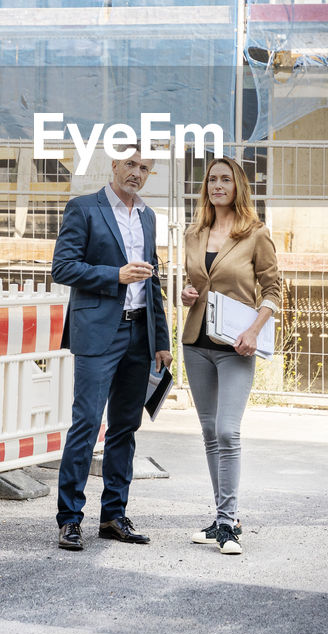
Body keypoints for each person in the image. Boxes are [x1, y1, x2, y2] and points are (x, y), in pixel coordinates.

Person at [51, 151, 172, 552]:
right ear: (114, 167)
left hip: (141, 335)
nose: (137, 173)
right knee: (86, 424)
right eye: (131, 165)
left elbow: (152, 281)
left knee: (125, 428)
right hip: (99, 333)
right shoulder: (84, 208)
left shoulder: (148, 217)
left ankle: (113, 516)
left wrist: (163, 342)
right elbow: (63, 267)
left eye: (144, 169)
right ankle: (69, 519)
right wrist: (114, 276)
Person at [180, 157, 281, 555]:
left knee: (228, 431)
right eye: (211, 180)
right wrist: (189, 294)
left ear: (238, 185)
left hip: (236, 345)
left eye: (225, 179)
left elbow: (274, 289)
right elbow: (194, 284)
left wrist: (255, 331)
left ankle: (227, 523)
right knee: (208, 433)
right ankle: (224, 518)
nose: (217, 185)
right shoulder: (194, 232)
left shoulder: (255, 234)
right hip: (196, 343)